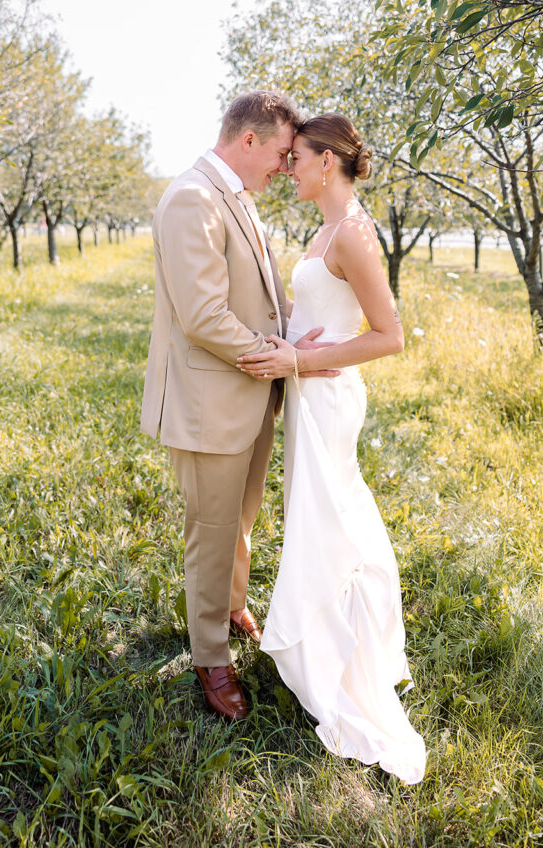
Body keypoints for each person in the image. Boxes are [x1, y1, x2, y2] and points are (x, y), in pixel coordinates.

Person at [238, 113, 426, 783]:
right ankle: (329, 645)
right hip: (309, 394)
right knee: (318, 519)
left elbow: (389, 336)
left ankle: (347, 663)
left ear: (327, 163)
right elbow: (312, 320)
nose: (286, 167)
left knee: (334, 522)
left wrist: (301, 362)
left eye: (298, 158)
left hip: (329, 397)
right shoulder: (324, 230)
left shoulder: (351, 234)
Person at [140, 91, 330, 722]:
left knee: (239, 521)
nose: (285, 166)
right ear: (248, 141)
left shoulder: (236, 199)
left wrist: (289, 339)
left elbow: (256, 297)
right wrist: (273, 356)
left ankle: (230, 604)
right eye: (280, 152)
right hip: (209, 400)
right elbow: (202, 316)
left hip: (248, 394)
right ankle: (209, 657)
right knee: (212, 532)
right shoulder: (193, 197)